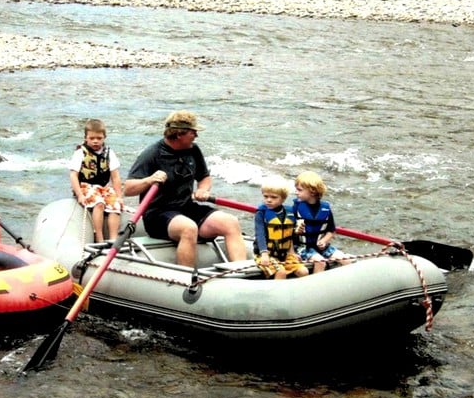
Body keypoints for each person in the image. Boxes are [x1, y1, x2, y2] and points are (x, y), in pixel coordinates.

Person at [124, 110, 246, 267]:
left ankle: (240, 271)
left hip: (186, 207)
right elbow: (128, 189)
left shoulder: (193, 150)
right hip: (157, 214)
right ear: (179, 134)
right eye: (193, 132)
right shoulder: (152, 154)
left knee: (231, 222)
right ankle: (187, 279)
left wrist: (203, 189)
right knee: (188, 228)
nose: (196, 135)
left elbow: (204, 178)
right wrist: (149, 180)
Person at [69, 119, 124, 242]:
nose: (95, 141)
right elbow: (73, 175)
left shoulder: (109, 153)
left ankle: (113, 239)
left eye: (99, 138)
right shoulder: (80, 153)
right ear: (86, 138)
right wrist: (79, 195)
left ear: (104, 137)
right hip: (85, 186)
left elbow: (115, 177)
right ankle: (99, 237)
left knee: (115, 204)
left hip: (102, 188)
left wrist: (119, 196)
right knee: (99, 203)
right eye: (92, 138)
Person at [292, 171, 350, 273]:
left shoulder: (325, 208)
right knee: (320, 262)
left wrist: (324, 241)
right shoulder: (296, 208)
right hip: (303, 247)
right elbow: (289, 232)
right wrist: (296, 231)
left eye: (299, 190)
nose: (296, 192)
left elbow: (331, 230)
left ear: (313, 191)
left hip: (322, 247)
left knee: (346, 260)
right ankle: (315, 286)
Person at [253, 178, 309, 279]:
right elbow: (260, 235)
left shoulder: (289, 212)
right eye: (266, 196)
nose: (269, 200)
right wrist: (264, 254)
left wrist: (292, 253)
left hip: (283, 254)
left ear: (283, 199)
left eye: (274, 197)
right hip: (265, 254)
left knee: (303, 271)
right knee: (281, 272)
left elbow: (289, 236)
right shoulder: (261, 213)